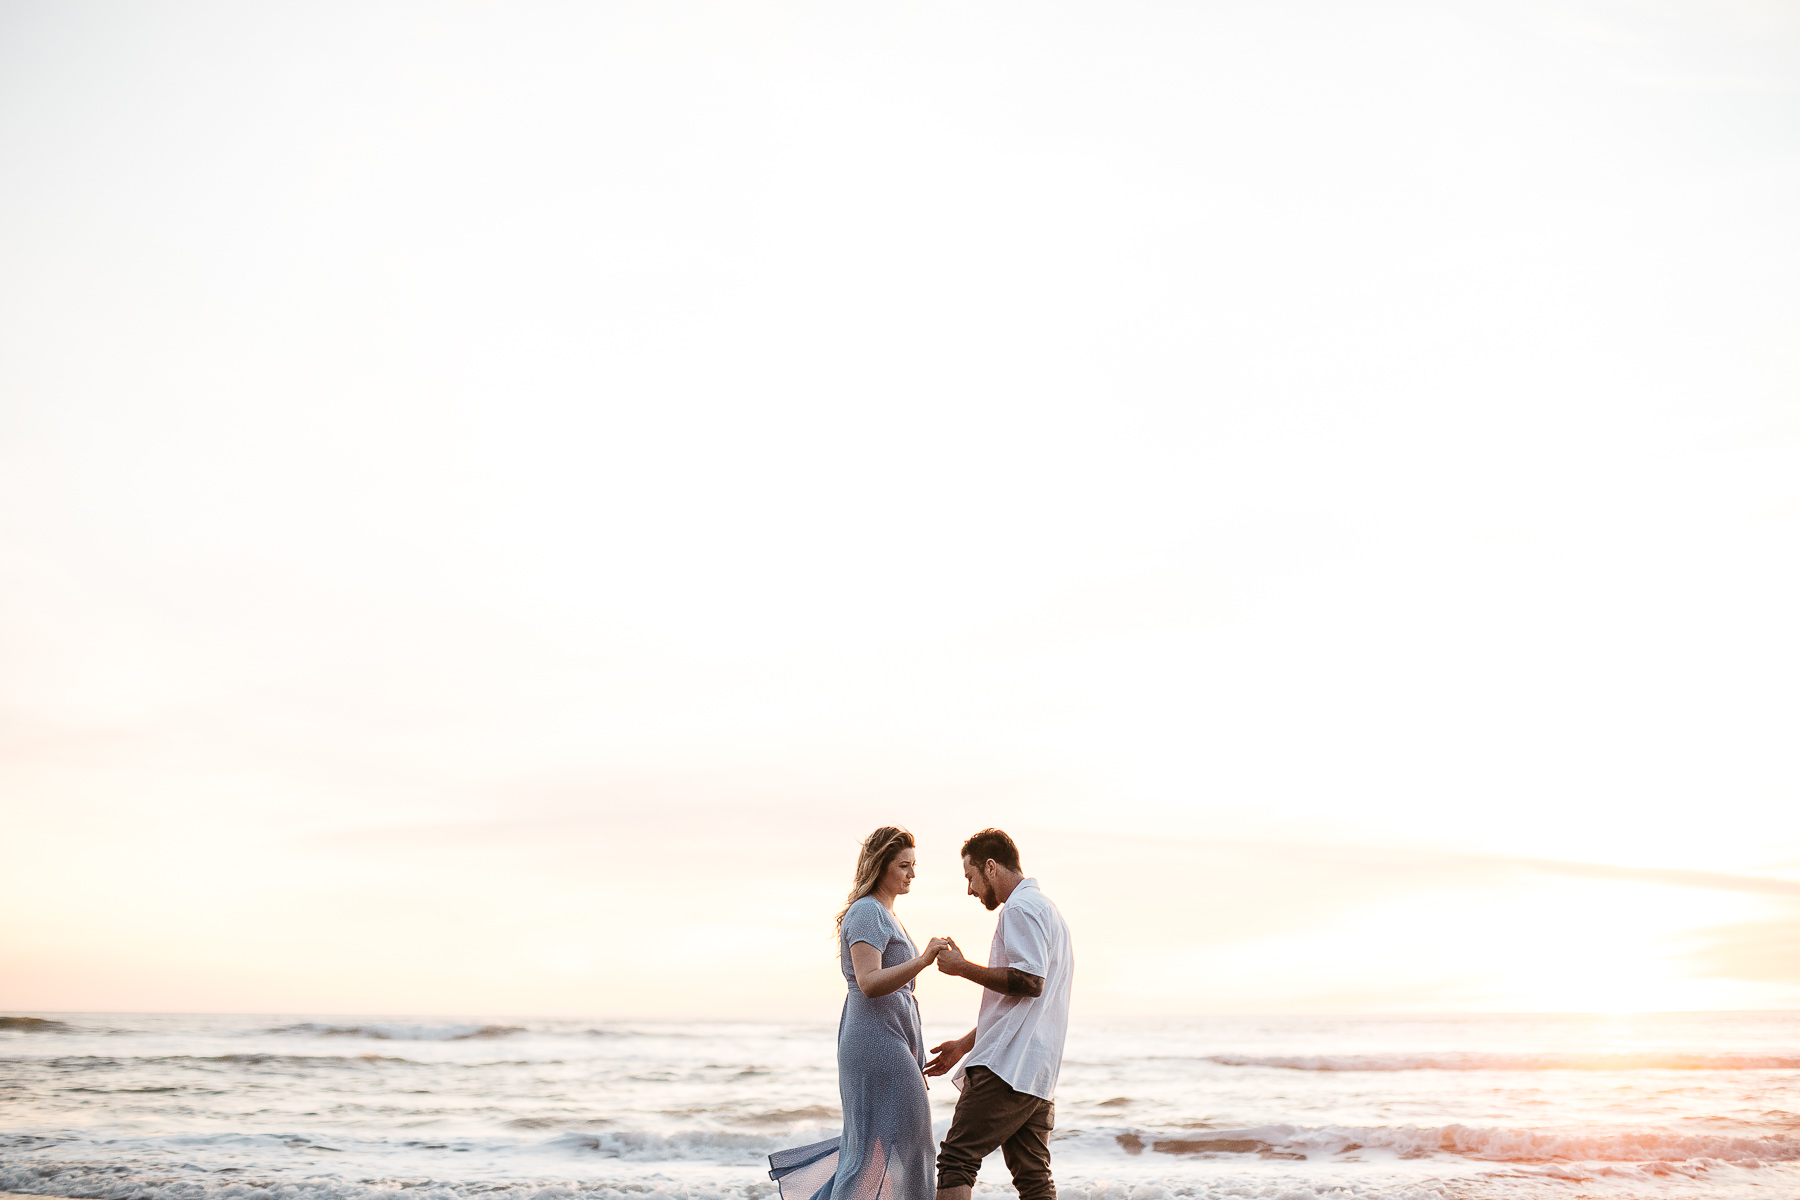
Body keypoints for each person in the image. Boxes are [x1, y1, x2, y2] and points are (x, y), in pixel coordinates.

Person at [769, 827, 949, 1200]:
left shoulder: (885, 913)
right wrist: (923, 959)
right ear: (881, 865)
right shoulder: (867, 911)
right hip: (876, 1043)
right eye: (904, 865)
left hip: (889, 1039)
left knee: (890, 1149)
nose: (912, 874)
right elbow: (869, 982)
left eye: (914, 865)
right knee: (897, 1149)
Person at [923, 829, 1073, 1200]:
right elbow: (1022, 1003)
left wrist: (961, 967)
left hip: (1008, 1067)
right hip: (1036, 1072)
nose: (970, 890)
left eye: (970, 877)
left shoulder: (1020, 909)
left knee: (957, 1159)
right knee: (1033, 1178)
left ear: (990, 867)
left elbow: (1029, 981)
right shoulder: (1048, 910)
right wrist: (965, 1043)